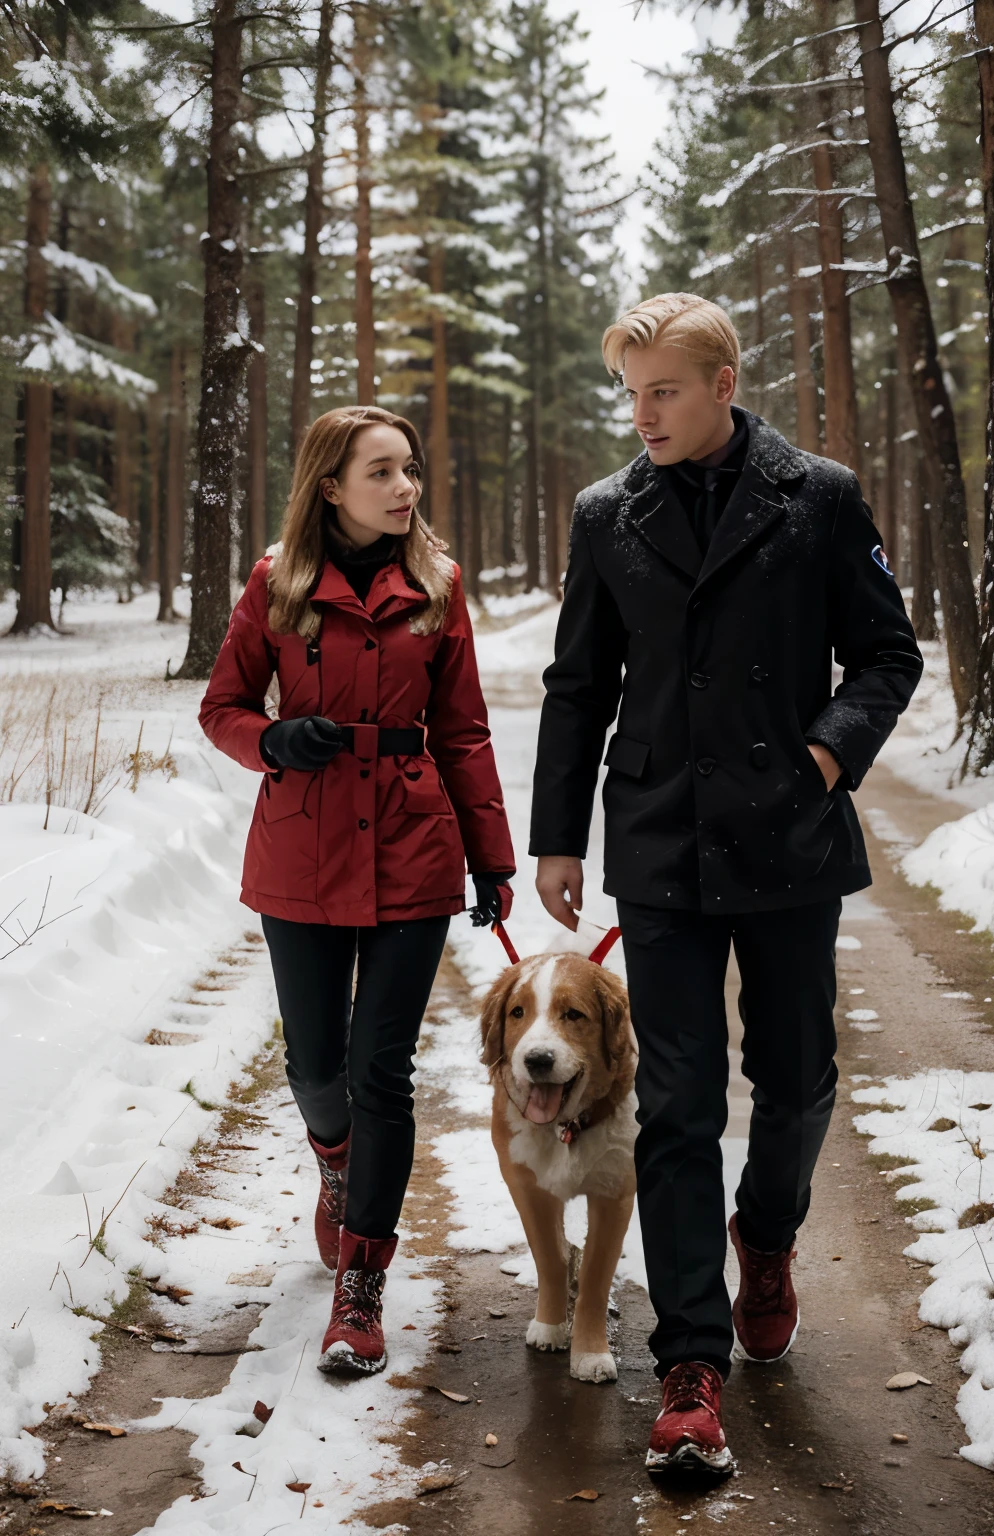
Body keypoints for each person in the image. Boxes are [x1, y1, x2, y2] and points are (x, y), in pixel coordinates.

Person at [529, 293, 922, 1474]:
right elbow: (577, 685)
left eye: (663, 391)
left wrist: (821, 752)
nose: (641, 414)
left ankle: (770, 1233)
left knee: (796, 1078)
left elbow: (888, 653)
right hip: (659, 837)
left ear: (722, 383)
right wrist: (557, 838)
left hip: (790, 830)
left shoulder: (820, 498)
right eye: (630, 392)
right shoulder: (608, 514)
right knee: (678, 1101)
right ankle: (689, 1360)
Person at [200, 405, 514, 1377]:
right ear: (329, 485)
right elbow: (221, 707)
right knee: (314, 1071)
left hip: (414, 850)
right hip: (300, 852)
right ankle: (334, 1160)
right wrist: (272, 741)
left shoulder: (438, 584)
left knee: (382, 1072)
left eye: (409, 469)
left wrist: (491, 858)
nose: (405, 487)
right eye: (382, 472)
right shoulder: (277, 583)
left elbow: (462, 729)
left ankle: (361, 1290)